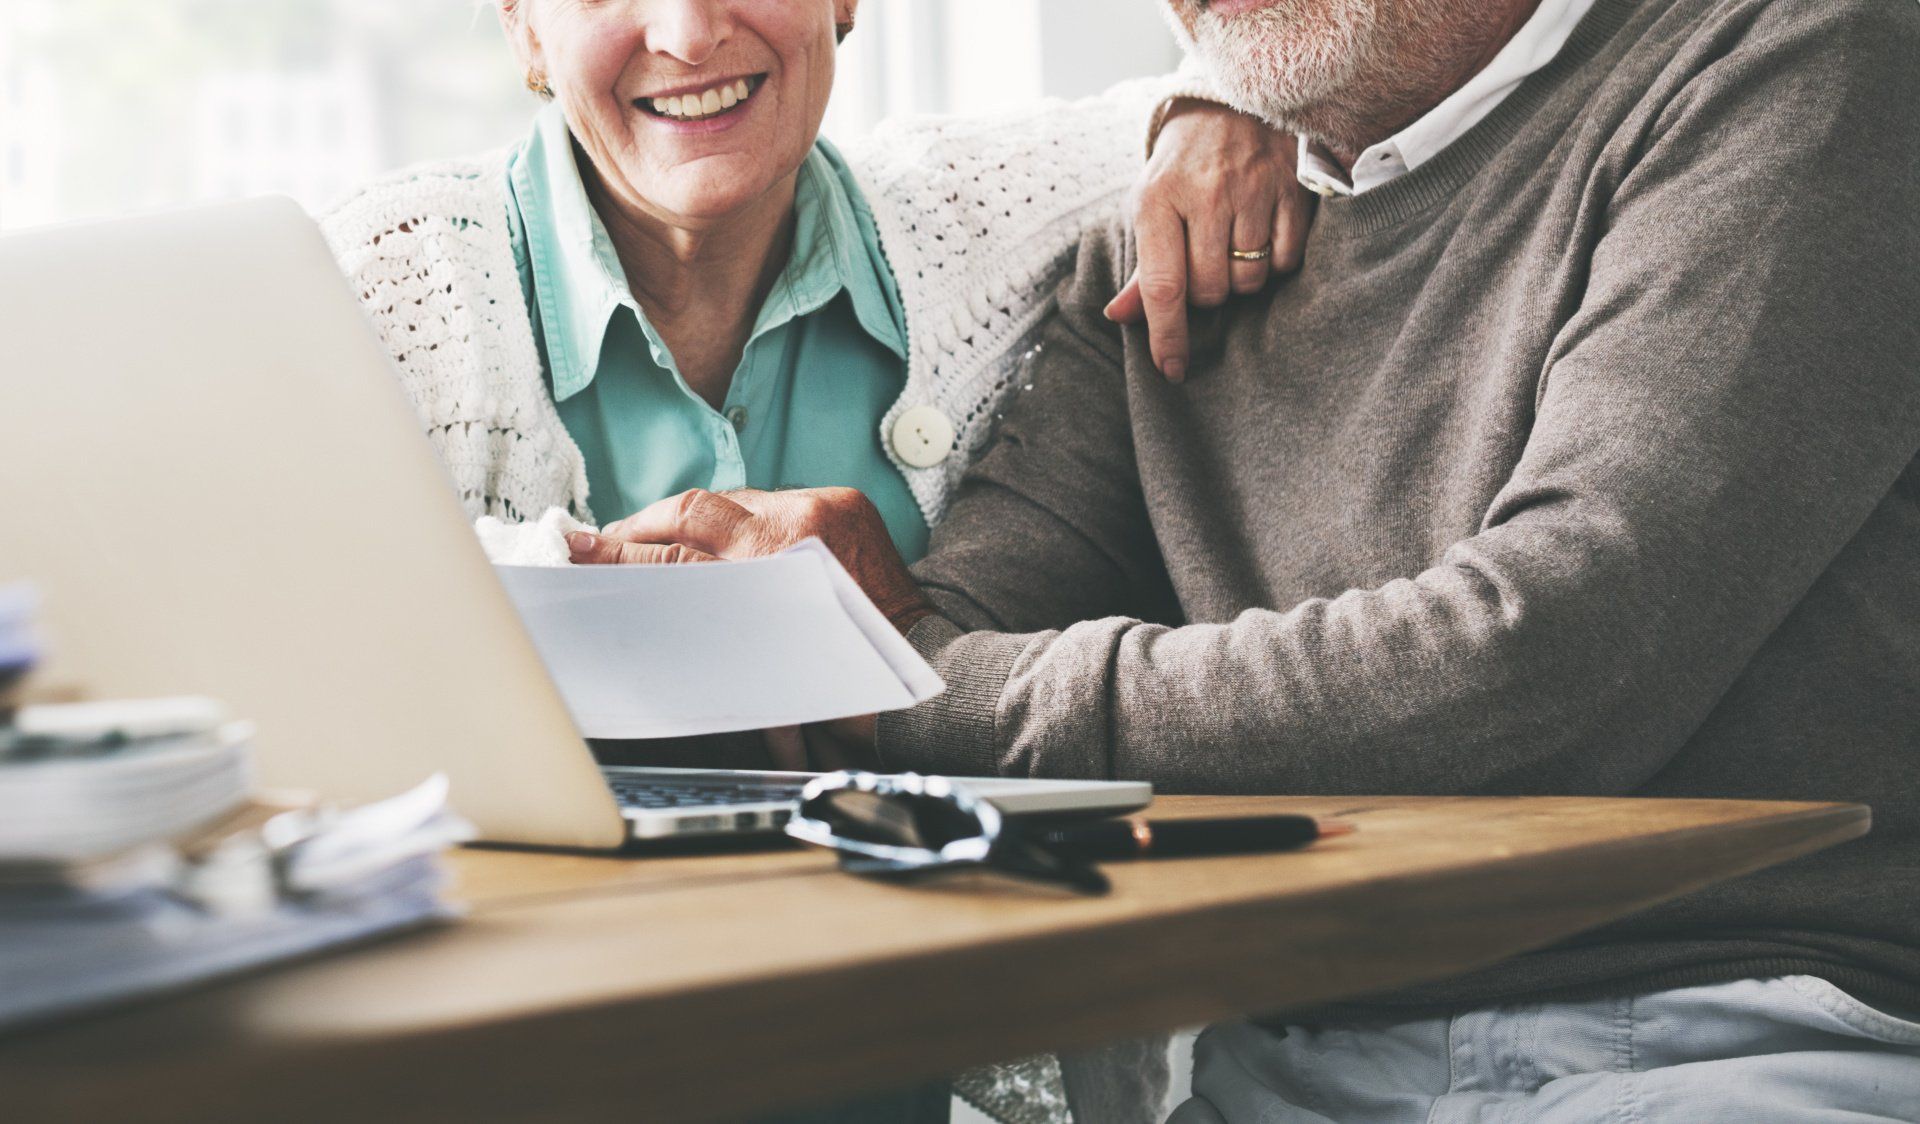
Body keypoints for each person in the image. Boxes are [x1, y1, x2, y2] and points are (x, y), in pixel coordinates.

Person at [568, 0, 1920, 1118]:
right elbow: (947, 641)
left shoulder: (1797, 63)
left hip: (1731, 1028)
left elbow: (1546, 659)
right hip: (1291, 1063)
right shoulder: (1150, 256)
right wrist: (763, 621)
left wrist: (907, 674)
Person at [318, 3, 1313, 1121]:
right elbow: (266, 632)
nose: (689, 35)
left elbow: (1260, 75)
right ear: (526, 32)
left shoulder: (989, 215)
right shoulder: (372, 284)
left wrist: (1217, 106)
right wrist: (560, 574)